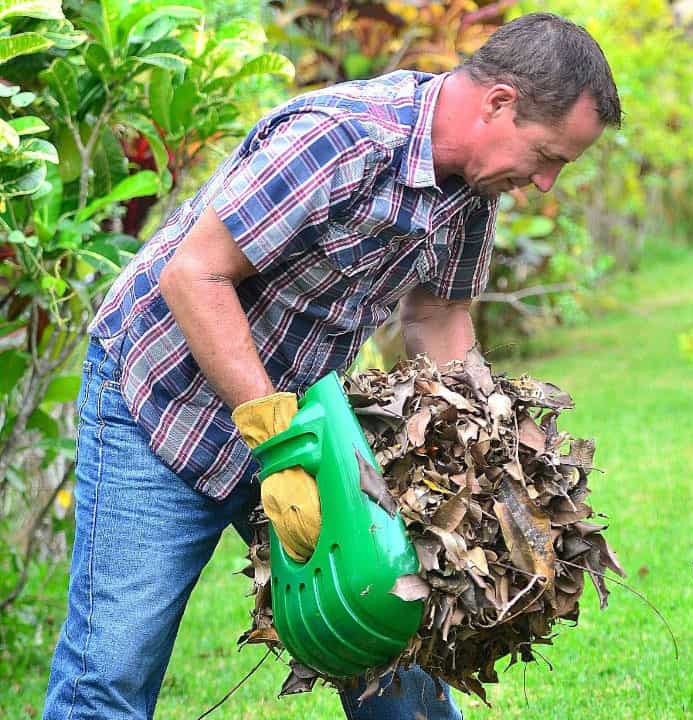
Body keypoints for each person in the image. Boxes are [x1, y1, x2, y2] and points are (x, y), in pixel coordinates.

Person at [43, 11, 621, 719]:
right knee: (112, 674)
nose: (546, 184)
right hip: (162, 402)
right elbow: (194, 277)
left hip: (305, 425)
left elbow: (438, 317)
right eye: (548, 155)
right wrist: (276, 440)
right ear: (499, 103)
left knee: (392, 632)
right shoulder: (343, 138)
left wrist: (491, 459)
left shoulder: (471, 191)